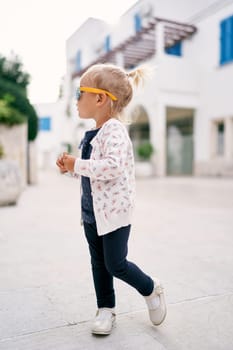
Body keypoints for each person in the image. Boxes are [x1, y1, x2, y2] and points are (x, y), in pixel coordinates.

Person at [56, 63, 166, 335]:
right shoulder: (91, 133)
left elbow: (112, 167)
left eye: (80, 92)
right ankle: (105, 308)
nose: (76, 99)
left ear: (100, 98)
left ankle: (151, 288)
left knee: (115, 263)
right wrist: (71, 169)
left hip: (114, 213)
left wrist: (77, 164)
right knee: (98, 263)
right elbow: (91, 173)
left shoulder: (114, 131)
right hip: (92, 212)